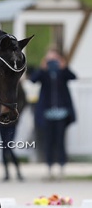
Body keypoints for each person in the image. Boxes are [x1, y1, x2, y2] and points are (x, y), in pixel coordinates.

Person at [30, 47, 76, 178]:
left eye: (54, 59)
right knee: (48, 141)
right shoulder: (44, 73)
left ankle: (62, 167)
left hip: (62, 113)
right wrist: (42, 67)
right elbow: (33, 79)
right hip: (47, 114)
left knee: (60, 141)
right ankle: (49, 168)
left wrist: (64, 66)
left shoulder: (62, 72)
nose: (52, 62)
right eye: (50, 59)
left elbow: (73, 77)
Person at [0, 82, 26, 181]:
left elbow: (23, 100)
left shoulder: (17, 85)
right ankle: (7, 172)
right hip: (1, 121)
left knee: (8, 146)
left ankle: (17, 171)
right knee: (4, 147)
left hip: (12, 122)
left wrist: (17, 113)